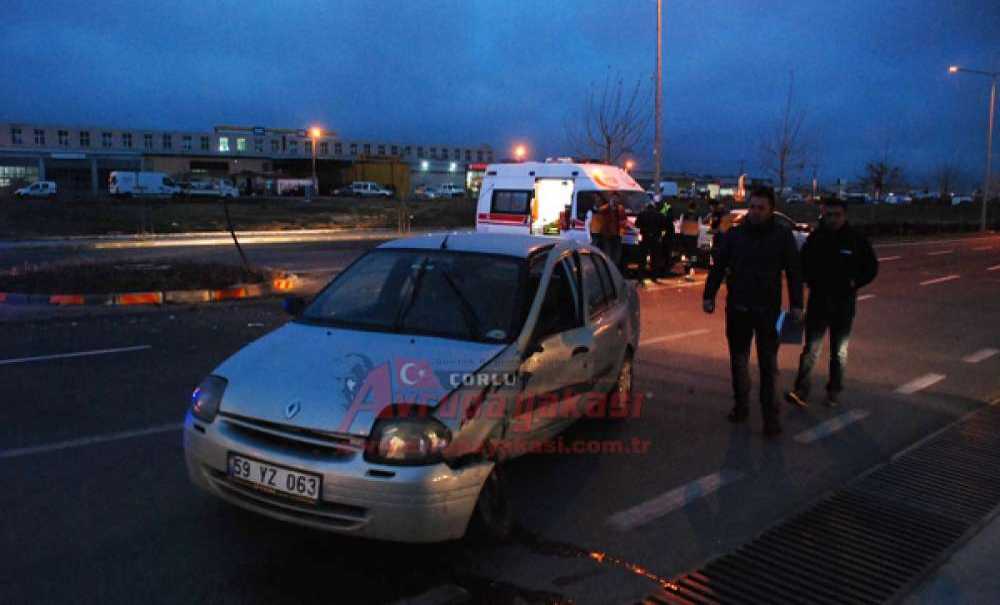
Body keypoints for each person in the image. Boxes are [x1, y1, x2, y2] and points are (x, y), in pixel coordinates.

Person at [702, 186, 804, 437]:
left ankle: (770, 417)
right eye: (753, 207)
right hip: (738, 309)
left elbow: (793, 272)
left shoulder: (782, 236)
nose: (756, 212)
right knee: (738, 361)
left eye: (761, 208)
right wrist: (709, 295)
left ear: (771, 210)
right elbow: (718, 267)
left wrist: (797, 304)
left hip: (768, 311)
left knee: (769, 365)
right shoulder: (734, 236)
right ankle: (741, 407)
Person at [786, 198, 878, 408]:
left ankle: (833, 390)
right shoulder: (816, 238)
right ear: (823, 215)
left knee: (839, 350)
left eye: (837, 214)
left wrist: (855, 282)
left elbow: (871, 267)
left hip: (844, 304)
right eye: (829, 214)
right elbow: (803, 264)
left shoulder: (856, 240)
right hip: (818, 301)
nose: (833, 219)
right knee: (811, 349)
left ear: (844, 215)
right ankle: (801, 389)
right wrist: (809, 281)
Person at [636, 201, 667, 282]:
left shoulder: (642, 214)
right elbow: (664, 227)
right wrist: (660, 236)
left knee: (642, 259)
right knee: (655, 259)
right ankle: (654, 277)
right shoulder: (660, 215)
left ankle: (640, 277)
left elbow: (637, 225)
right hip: (656, 239)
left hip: (644, 238)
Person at [679, 201, 701, 281]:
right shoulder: (698, 217)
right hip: (693, 238)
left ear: (688, 207)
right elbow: (699, 228)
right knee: (693, 254)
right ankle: (692, 267)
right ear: (695, 208)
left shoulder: (683, 215)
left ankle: (686, 269)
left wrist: (682, 233)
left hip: (685, 237)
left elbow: (680, 226)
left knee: (686, 254)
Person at [659, 197, 676, 276]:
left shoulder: (664, 218)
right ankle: (666, 269)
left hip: (665, 239)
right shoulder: (670, 222)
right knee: (667, 254)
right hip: (668, 239)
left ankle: (663, 268)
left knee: (664, 254)